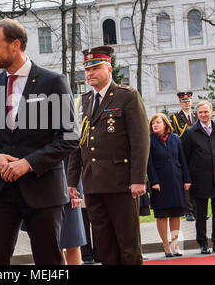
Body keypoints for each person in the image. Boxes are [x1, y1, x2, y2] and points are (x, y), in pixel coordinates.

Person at [0, 18, 79, 265]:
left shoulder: (53, 81)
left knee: (49, 262)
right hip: (0, 192)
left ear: (15, 45)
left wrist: (28, 163)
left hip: (43, 189)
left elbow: (69, 137)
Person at [67, 45, 150, 265]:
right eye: (86, 70)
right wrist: (72, 180)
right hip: (93, 184)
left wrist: (138, 179)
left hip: (121, 183)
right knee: (104, 245)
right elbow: (79, 143)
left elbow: (140, 141)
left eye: (95, 68)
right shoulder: (84, 100)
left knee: (128, 244)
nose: (89, 74)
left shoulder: (127, 96)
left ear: (109, 68)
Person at [181, 100, 215, 254]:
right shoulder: (190, 133)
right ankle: (203, 243)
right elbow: (184, 156)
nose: (203, 115)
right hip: (199, 178)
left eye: (206, 112)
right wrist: (187, 178)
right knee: (201, 214)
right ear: (197, 114)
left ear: (211, 112)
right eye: (200, 112)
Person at [147, 113, 191, 257]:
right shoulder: (149, 140)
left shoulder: (175, 138)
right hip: (159, 183)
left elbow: (182, 159)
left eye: (158, 122)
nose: (155, 125)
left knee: (175, 214)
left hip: (176, 181)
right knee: (161, 214)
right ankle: (166, 245)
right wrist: (154, 181)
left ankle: (175, 244)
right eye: (153, 123)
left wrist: (186, 179)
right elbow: (149, 164)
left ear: (165, 124)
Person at [170, 91, 198, 221]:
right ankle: (189, 211)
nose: (186, 103)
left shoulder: (197, 115)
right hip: (184, 153)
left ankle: (199, 210)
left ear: (191, 102)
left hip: (197, 153)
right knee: (186, 183)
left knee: (199, 182)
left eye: (188, 101)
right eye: (184, 101)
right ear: (180, 103)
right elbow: (174, 136)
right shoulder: (175, 117)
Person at [60, 160, 86, 265]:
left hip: (68, 190)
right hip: (41, 191)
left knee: (73, 242)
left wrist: (77, 192)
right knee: (50, 244)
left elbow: (76, 160)